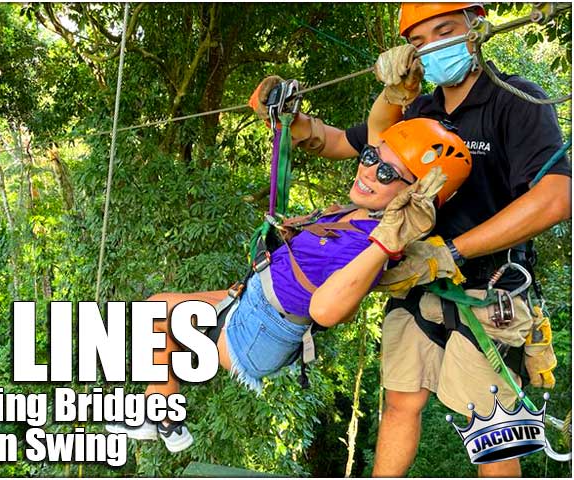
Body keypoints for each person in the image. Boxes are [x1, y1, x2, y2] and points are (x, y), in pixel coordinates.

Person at [253, 3, 571, 477]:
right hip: (412, 284)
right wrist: (287, 117)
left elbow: (556, 197)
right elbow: (346, 143)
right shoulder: (418, 109)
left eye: (445, 30)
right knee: (400, 404)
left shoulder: (516, 101)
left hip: (488, 286)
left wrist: (453, 252)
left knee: (492, 428)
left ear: (476, 25)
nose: (435, 46)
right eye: (420, 41)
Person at [105, 101, 473, 452]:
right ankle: (162, 416)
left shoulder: (372, 244)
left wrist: (386, 243)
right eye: (371, 157)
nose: (369, 171)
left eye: (388, 173)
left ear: (414, 197)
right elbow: (378, 129)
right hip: (254, 300)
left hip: (261, 334)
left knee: (160, 319)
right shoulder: (361, 212)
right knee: (157, 308)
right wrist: (394, 93)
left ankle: (161, 415)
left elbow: (327, 311)